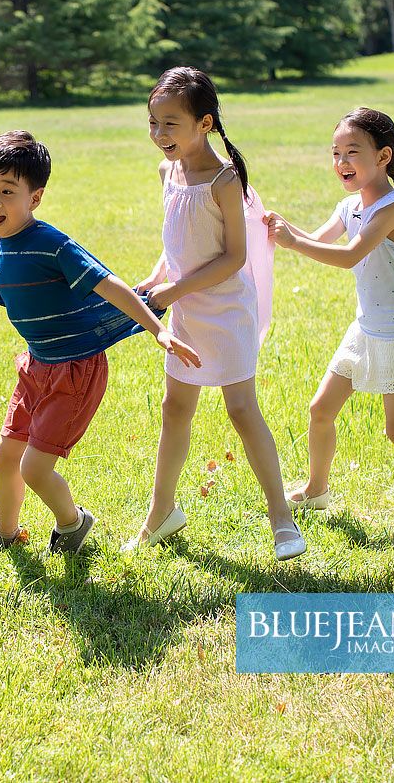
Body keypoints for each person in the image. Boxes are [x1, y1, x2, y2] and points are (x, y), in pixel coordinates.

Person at [0, 130, 201, 557]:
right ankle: (6, 532)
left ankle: (73, 523)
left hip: (74, 371)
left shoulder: (52, 245)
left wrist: (156, 328)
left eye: (7, 191)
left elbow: (112, 287)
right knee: (5, 457)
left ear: (35, 198)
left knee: (35, 466)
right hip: (35, 368)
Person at [266, 108, 394, 539]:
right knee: (320, 410)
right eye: (336, 152)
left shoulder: (393, 210)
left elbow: (346, 256)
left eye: (352, 152)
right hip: (365, 329)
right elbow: (318, 239)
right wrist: (277, 227)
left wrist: (291, 240)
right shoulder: (349, 205)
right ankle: (317, 489)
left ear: (383, 156)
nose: (342, 161)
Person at [126, 67, 304, 561]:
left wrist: (171, 291)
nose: (160, 135)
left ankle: (282, 520)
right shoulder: (171, 172)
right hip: (184, 306)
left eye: (171, 124)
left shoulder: (225, 179)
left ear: (204, 123)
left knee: (241, 409)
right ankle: (161, 514)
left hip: (225, 308)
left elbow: (232, 258)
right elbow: (176, 242)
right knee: (174, 408)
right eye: (153, 123)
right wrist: (155, 279)